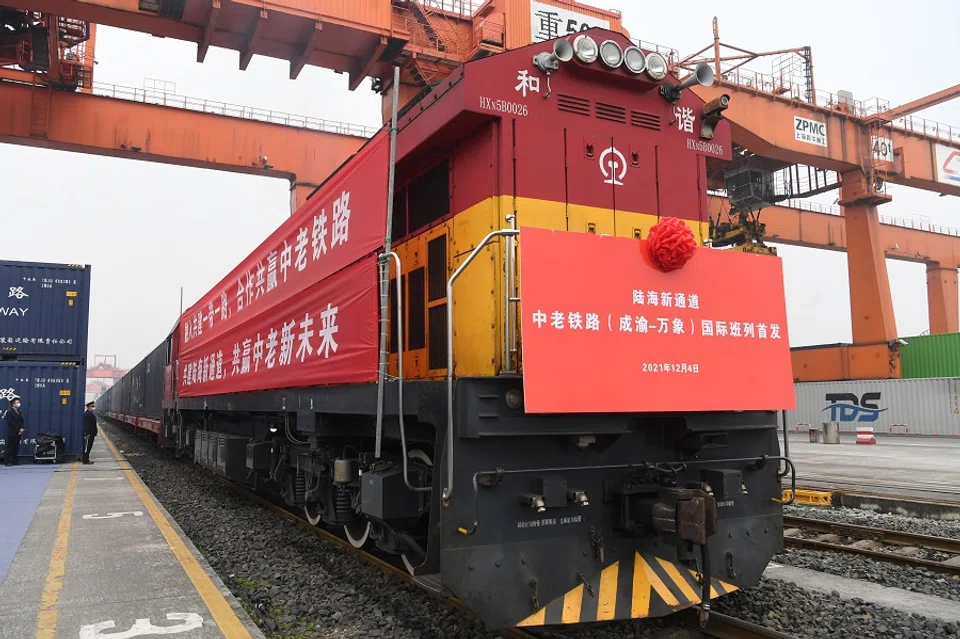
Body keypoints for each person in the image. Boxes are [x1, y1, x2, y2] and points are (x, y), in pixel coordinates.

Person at [5, 395, 24, 466]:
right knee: (10, 447)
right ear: (13, 404)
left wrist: (22, 428)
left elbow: (21, 421)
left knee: (16, 447)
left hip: (19, 432)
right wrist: (18, 429)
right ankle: (7, 461)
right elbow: (11, 422)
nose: (18, 404)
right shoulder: (9, 412)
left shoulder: (19, 411)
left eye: (19, 402)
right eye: (17, 402)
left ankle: (14, 461)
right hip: (12, 432)